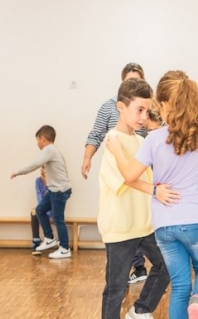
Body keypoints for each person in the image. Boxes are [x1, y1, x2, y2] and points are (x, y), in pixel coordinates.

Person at [107, 70, 198, 319]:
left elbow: (129, 176)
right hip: (195, 219)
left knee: (180, 285)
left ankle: (190, 303)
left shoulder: (154, 139)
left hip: (164, 225)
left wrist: (116, 149)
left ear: (166, 105)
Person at [98, 78, 171, 319]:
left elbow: (149, 175)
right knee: (116, 289)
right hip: (120, 228)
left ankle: (140, 310)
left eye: (147, 111)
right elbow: (126, 179)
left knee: (165, 266)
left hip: (144, 226)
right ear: (121, 106)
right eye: (139, 109)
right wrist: (154, 190)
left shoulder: (141, 140)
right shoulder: (111, 140)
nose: (143, 116)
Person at [82, 62, 149, 284]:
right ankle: (132, 267)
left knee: (138, 213)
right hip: (118, 164)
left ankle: (138, 267)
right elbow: (97, 133)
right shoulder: (109, 109)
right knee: (124, 214)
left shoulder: (147, 108)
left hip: (140, 165)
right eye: (129, 80)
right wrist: (87, 157)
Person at [11, 125, 72, 259]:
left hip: (59, 191)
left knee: (58, 219)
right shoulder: (53, 150)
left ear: (43, 139)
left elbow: (36, 164)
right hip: (54, 190)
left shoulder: (49, 149)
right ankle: (49, 238)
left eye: (37, 140)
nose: (37, 144)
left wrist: (18, 172)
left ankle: (65, 248)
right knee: (40, 210)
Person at [30, 167, 51, 255]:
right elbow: (39, 197)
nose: (43, 170)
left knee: (39, 211)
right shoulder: (38, 181)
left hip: (53, 208)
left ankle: (50, 239)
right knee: (34, 212)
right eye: (42, 168)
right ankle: (36, 242)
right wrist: (42, 209)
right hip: (42, 208)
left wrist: (47, 184)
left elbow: (52, 198)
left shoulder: (54, 181)